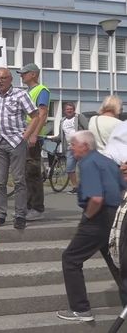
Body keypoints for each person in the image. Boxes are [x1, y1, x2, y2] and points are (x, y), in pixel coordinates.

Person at [57, 130, 127, 322]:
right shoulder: (106, 161)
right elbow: (123, 188)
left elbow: (96, 198)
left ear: (85, 146)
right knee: (117, 264)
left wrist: (87, 217)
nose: (71, 148)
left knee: (70, 258)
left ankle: (80, 309)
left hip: (97, 217)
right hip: (116, 217)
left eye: (73, 144)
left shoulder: (87, 163)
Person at [0, 67, 39, 230]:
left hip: (16, 142)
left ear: (10, 79)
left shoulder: (20, 94)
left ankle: (20, 215)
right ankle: (0, 215)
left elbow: (35, 116)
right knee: (0, 182)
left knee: (18, 180)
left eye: (3, 78)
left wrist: (26, 136)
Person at [17, 63, 50, 221]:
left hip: (33, 138)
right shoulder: (27, 92)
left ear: (34, 75)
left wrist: (34, 134)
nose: (21, 76)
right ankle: (28, 207)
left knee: (32, 172)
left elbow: (42, 114)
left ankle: (37, 208)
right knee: (25, 173)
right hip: (25, 136)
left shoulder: (41, 90)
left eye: (24, 73)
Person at [56, 102, 89, 194]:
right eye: (67, 109)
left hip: (81, 147)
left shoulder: (79, 117)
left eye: (71, 109)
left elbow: (87, 129)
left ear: (74, 110)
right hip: (70, 148)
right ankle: (75, 187)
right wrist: (52, 138)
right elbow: (60, 135)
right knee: (69, 168)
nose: (69, 110)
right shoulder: (62, 121)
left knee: (84, 168)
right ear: (64, 111)